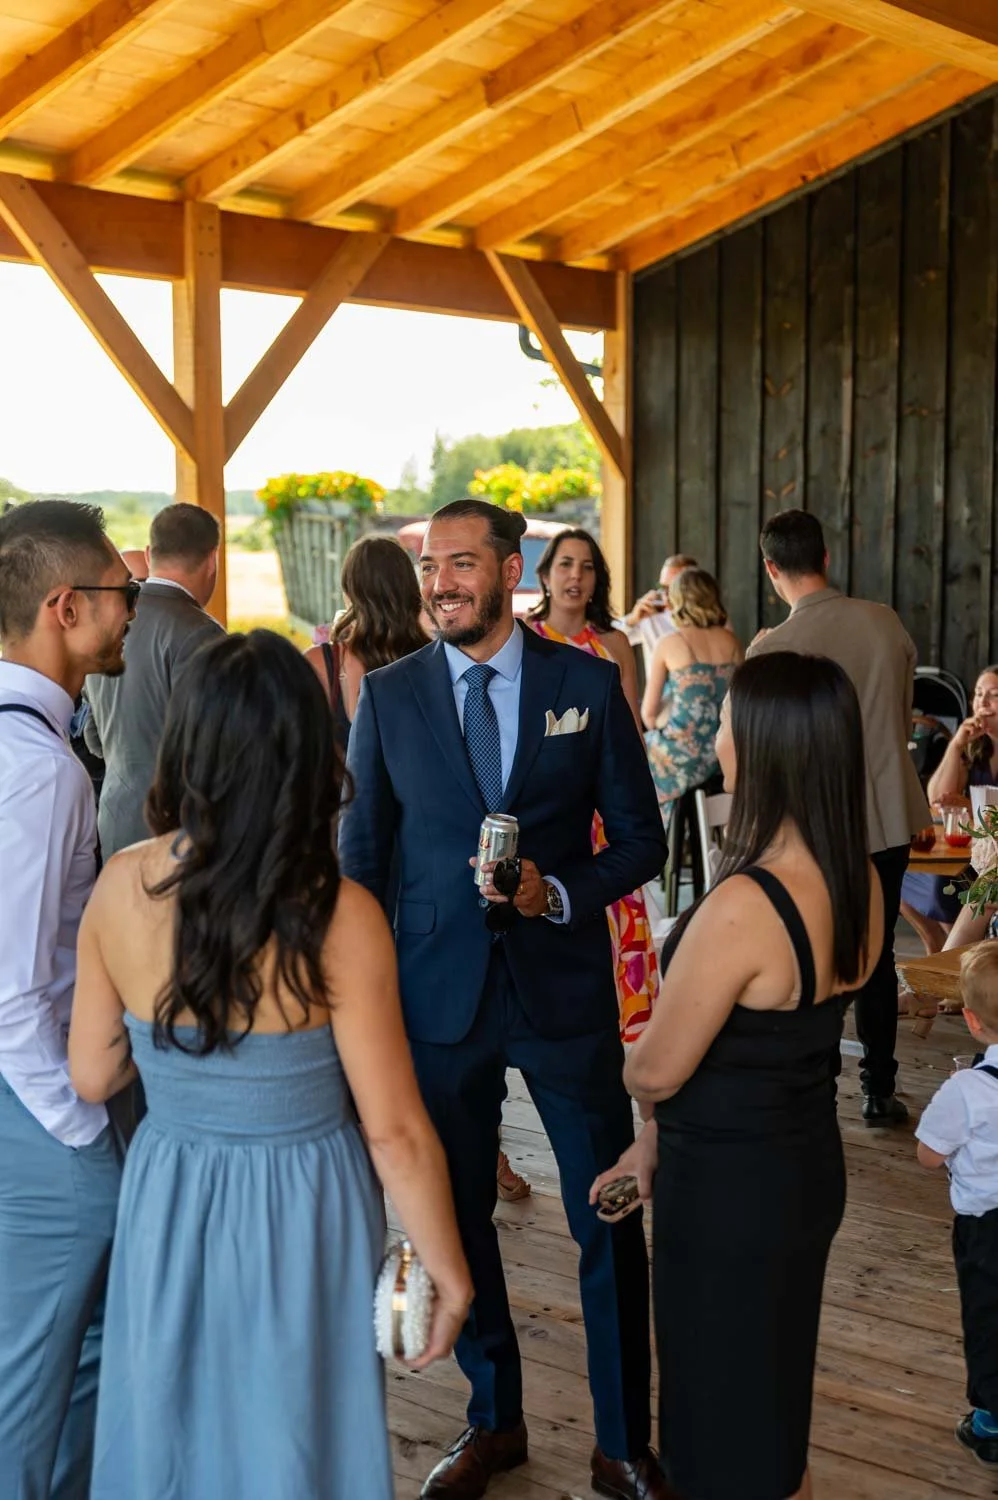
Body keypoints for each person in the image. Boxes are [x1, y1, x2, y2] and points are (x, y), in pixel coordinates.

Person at [69, 630, 472, 1500]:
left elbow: (94, 1078)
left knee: (173, 1423)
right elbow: (395, 1131)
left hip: (171, 1187)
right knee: (295, 1434)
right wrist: (449, 1266)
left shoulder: (122, 888)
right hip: (303, 1200)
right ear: (306, 751)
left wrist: (177, 1050)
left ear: (187, 746)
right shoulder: (339, 913)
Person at [340, 499, 671, 1500]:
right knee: (459, 1212)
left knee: (603, 1213)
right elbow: (363, 862)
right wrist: (367, 1004)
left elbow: (641, 838)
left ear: (508, 565)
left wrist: (557, 891)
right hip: (436, 999)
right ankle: (492, 1420)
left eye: (457, 563)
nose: (437, 582)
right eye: (427, 566)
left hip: (560, 992)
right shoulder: (388, 697)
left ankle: (620, 1445)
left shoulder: (582, 681)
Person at [593, 652, 884, 1500]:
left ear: (763, 743)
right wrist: (652, 1146)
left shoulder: (747, 904)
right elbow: (765, 1052)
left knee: (713, 1420)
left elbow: (657, 1067)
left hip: (729, 1196)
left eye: (726, 716)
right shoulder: (858, 877)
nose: (713, 729)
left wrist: (609, 1053)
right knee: (770, 1400)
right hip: (799, 1170)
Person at [0, 499, 136, 1499]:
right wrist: (79, 1134)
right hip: (39, 1108)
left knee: (75, 1346)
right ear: (64, 606)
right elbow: (10, 988)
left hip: (36, 1101)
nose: (131, 610)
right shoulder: (40, 770)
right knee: (32, 1371)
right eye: (120, 593)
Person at [749, 509, 930, 1127]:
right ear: (825, 558)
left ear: (772, 568)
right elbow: (900, 715)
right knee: (878, 957)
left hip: (815, 826)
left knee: (821, 956)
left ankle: (819, 1092)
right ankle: (880, 1089)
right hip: (887, 812)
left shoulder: (771, 648)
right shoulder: (884, 622)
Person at [528, 527, 659, 1042]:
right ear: (545, 573)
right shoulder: (524, 640)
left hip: (610, 809)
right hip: (553, 806)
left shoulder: (614, 644)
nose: (574, 576)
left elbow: (632, 733)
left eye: (586, 567)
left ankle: (620, 1023)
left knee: (616, 907)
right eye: (565, 564)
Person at [84, 502, 223, 860]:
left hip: (114, 819)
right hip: (182, 832)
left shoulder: (108, 621)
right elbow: (217, 748)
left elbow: (94, 738)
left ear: (149, 554)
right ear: (212, 560)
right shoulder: (204, 635)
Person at [916, 941, 998, 1469]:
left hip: (986, 1230)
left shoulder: (968, 1089)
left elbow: (927, 1155)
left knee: (989, 1318)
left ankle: (990, 1424)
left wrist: (952, 1096)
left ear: (970, 1020)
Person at [901, 668, 998, 955]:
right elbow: (937, 798)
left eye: (994, 696)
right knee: (897, 873)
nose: (983, 703)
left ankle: (953, 959)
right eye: (979, 695)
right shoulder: (974, 748)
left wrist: (971, 807)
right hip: (969, 846)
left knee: (940, 885)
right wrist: (956, 745)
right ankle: (939, 948)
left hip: (987, 856)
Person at [305, 533, 427, 757]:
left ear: (349, 591)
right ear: (411, 588)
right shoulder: (435, 660)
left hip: (340, 792)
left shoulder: (318, 663)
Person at [642, 567, 742, 815]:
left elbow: (649, 715)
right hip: (724, 755)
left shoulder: (669, 643)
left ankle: (664, 842)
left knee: (637, 753)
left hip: (682, 756)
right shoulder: (732, 642)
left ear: (678, 601)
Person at [619, 553, 697, 668]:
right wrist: (632, 620)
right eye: (663, 587)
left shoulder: (709, 618)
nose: (664, 594)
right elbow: (608, 639)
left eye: (672, 588)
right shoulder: (650, 617)